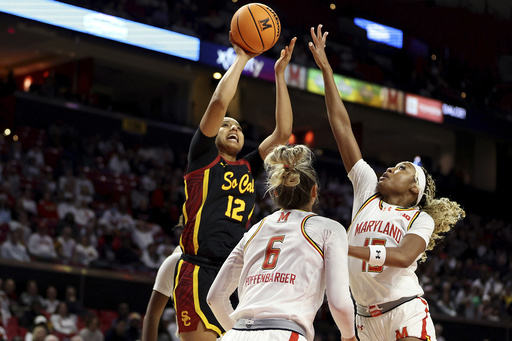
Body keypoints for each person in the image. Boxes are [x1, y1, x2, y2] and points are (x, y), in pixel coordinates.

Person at [308, 24, 465, 341]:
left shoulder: (418, 218)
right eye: (394, 164)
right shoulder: (367, 188)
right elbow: (341, 125)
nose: (391, 169)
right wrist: (326, 69)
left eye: (402, 168)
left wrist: (345, 247)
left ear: (414, 191)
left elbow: (404, 257)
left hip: (403, 310)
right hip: (364, 320)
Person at [142, 33, 296, 341]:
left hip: (233, 276)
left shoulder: (247, 166)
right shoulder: (202, 157)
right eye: (226, 124)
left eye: (238, 126)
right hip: (196, 270)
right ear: (213, 134)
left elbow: (283, 132)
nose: (234, 128)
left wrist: (279, 75)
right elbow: (218, 101)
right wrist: (241, 59)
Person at [206, 144, 355, 341]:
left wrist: (239, 333)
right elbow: (338, 303)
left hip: (236, 333)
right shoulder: (328, 228)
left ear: (275, 193)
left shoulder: (253, 231)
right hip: (284, 333)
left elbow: (215, 298)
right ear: (314, 192)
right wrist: (349, 336)